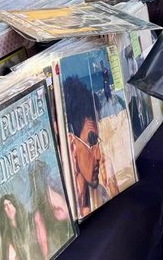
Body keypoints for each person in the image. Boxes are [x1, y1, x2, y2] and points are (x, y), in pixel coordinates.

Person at [63, 76, 113, 218]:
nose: (98, 155)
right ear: (72, 145)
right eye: (91, 141)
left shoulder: (102, 195)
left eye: (97, 141)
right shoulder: (62, 210)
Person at [0, 194, 29, 260]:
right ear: (3, 211)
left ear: (15, 205)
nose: (9, 208)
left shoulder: (26, 226)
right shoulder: (7, 236)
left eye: (10, 203)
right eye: (5, 206)